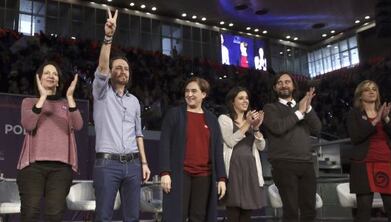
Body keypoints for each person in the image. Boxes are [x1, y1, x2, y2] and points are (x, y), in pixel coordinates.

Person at [92, 8, 151, 221]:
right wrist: (108, 37)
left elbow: (138, 134)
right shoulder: (101, 93)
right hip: (107, 165)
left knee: (132, 217)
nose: (123, 71)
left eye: (126, 69)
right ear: (111, 72)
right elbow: (101, 67)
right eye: (118, 68)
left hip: (134, 165)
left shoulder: (134, 101)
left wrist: (144, 163)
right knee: (104, 217)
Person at [17, 61, 83, 222]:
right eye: (47, 73)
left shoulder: (67, 105)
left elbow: (78, 125)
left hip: (61, 169)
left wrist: (70, 97)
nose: (51, 76)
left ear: (58, 81)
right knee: (30, 213)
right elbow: (28, 124)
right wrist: (43, 97)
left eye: (54, 74)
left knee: (54, 215)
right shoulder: (29, 102)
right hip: (33, 167)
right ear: (39, 78)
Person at [159, 77, 226, 222]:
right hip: (180, 174)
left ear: (204, 94)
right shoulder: (174, 114)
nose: (189, 94)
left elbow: (217, 151)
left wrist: (221, 178)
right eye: (187, 91)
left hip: (204, 176)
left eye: (194, 91)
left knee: (199, 216)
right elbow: (164, 144)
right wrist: (165, 172)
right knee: (176, 216)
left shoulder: (212, 119)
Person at [262, 72, 321, 222]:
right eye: (280, 83)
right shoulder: (270, 108)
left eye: (287, 82)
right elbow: (278, 127)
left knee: (309, 209)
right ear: (275, 88)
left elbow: (317, 129)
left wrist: (307, 109)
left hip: (306, 163)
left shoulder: (303, 107)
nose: (284, 85)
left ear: (293, 86)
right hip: (284, 164)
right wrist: (300, 111)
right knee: (291, 211)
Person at [346, 80, 391, 222]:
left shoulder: (386, 112)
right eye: (367, 90)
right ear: (360, 95)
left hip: (387, 162)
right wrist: (375, 121)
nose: (372, 92)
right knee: (363, 211)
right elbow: (356, 137)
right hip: (363, 164)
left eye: (374, 89)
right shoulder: (354, 114)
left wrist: (386, 118)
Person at [218, 87, 266, 222]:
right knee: (233, 212)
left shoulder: (250, 122)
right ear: (232, 102)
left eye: (246, 98)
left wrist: (256, 128)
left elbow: (262, 147)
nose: (245, 101)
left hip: (250, 169)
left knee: (246, 214)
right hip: (233, 169)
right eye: (240, 98)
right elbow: (230, 141)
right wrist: (248, 123)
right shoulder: (224, 119)